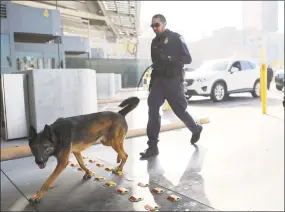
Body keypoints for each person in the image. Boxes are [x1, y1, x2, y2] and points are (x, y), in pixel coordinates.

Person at [140, 14, 203, 159]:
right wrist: (152, 83)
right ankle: (152, 146)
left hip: (174, 81)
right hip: (159, 82)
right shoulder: (154, 42)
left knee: (180, 111)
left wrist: (170, 58)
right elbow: (155, 64)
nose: (154, 28)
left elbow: (188, 58)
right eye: (153, 26)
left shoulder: (176, 38)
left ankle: (196, 128)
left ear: (164, 24)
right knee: (153, 109)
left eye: (157, 25)